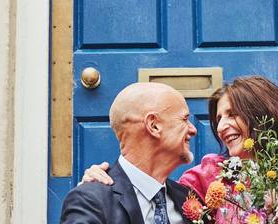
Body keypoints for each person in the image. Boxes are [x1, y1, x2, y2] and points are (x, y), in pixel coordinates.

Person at [82, 76, 278, 224]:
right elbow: (153, 193)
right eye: (218, 119)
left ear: (260, 116)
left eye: (232, 115)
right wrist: (102, 182)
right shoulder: (208, 175)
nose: (222, 126)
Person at [60, 82, 199, 224]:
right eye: (184, 119)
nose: (193, 129)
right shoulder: (91, 201)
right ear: (154, 125)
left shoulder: (188, 198)